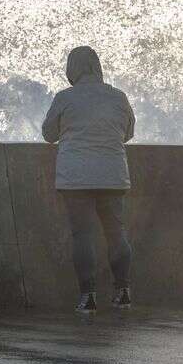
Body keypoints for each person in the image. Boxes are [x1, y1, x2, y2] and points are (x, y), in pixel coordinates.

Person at [42, 46, 136, 314]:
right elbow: (128, 132)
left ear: (73, 69)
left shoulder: (65, 97)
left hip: (76, 179)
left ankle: (88, 296)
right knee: (116, 233)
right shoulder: (119, 97)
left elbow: (49, 134)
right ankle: (123, 291)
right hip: (112, 176)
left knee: (83, 236)